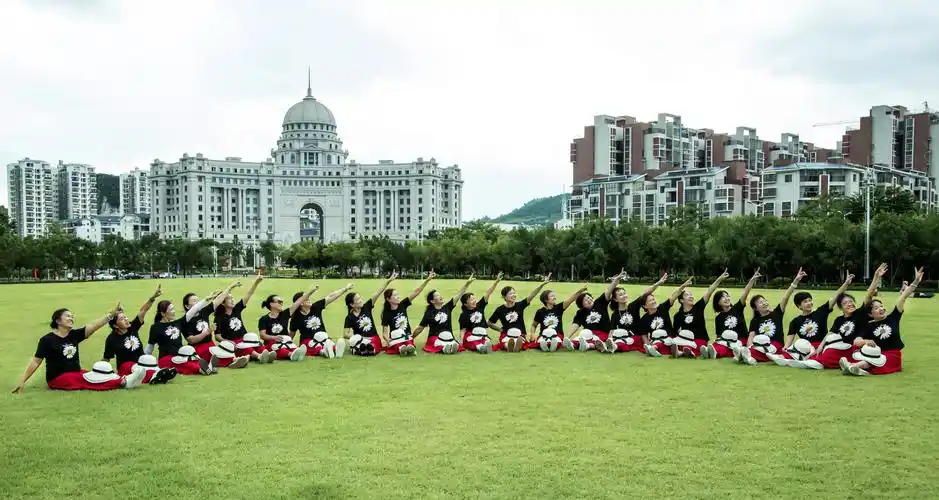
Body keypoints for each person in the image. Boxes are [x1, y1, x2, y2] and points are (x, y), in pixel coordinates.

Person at [13, 303, 147, 392]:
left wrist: (111, 315)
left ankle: (123, 379)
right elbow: (36, 361)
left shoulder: (74, 335)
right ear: (57, 321)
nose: (71, 318)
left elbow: (94, 326)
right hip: (58, 378)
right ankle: (124, 382)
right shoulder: (47, 340)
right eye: (67, 316)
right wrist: (22, 380)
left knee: (94, 374)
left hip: (76, 372)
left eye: (72, 316)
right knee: (87, 380)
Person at [797, 263, 886, 370]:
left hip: (854, 347)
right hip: (841, 346)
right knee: (829, 348)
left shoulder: (860, 314)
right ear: (841, 307)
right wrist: (821, 346)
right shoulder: (839, 320)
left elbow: (869, 294)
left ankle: (820, 362)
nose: (850, 304)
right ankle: (814, 360)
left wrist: (876, 277)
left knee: (831, 353)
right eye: (845, 303)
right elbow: (830, 333)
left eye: (851, 301)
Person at [839, 267, 924, 376]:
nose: (881, 309)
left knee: (877, 360)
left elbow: (902, 297)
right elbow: (856, 341)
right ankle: (857, 369)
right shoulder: (870, 325)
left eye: (881, 306)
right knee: (864, 351)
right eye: (876, 308)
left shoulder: (893, 317)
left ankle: (853, 366)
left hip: (892, 355)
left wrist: (916, 281)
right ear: (870, 314)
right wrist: (865, 341)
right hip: (876, 354)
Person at [767, 271, 855, 367]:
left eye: (810, 300)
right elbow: (788, 342)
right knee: (798, 345)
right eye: (805, 301)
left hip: (820, 346)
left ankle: (804, 361)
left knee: (819, 355)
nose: (809, 303)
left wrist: (846, 283)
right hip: (804, 347)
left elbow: (836, 296)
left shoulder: (820, 312)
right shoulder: (795, 322)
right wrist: (785, 349)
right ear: (799, 306)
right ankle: (785, 357)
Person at [102, 283, 179, 384]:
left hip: (142, 362)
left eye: (125, 317)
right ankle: (155, 376)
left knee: (148, 362)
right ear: (115, 325)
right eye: (122, 319)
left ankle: (157, 374)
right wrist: (100, 372)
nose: (126, 320)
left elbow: (143, 311)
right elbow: (106, 358)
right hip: (125, 367)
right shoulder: (112, 339)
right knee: (137, 368)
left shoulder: (133, 328)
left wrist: (153, 297)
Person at [736, 268, 806, 365]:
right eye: (760, 303)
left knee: (763, 351)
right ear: (756, 308)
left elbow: (785, 297)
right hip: (761, 345)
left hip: (776, 345)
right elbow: (751, 337)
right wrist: (748, 347)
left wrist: (795, 281)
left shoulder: (777, 313)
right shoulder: (755, 321)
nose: (764, 303)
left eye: (764, 300)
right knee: (756, 349)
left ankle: (745, 355)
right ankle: (748, 355)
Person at [146, 290, 219, 375]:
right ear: (163, 313)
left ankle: (207, 367)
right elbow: (150, 347)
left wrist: (205, 300)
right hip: (166, 358)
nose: (174, 311)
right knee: (184, 364)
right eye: (171, 309)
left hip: (181, 355)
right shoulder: (155, 327)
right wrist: (146, 363)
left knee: (192, 358)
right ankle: (203, 369)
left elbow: (194, 310)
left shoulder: (178, 322)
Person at [214, 270, 274, 363]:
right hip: (234, 343)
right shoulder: (219, 317)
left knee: (257, 343)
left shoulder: (236, 309)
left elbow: (248, 294)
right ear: (222, 303)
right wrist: (228, 342)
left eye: (232, 298)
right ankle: (259, 356)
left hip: (245, 338)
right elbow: (217, 336)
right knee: (245, 348)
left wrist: (256, 282)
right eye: (229, 299)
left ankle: (266, 354)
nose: (232, 300)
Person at [671, 271, 730, 358]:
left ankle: (684, 352)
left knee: (698, 346)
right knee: (679, 344)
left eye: (691, 295)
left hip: (699, 339)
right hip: (686, 339)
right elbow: (675, 333)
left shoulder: (698, 307)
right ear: (681, 300)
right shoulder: (678, 315)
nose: (691, 296)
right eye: (687, 295)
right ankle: (684, 351)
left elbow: (710, 291)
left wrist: (719, 279)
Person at [566, 271, 628, 352]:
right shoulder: (581, 312)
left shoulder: (600, 303)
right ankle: (572, 345)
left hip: (602, 333)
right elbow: (575, 325)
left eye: (589, 297)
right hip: (588, 334)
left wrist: (616, 279)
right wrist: (567, 338)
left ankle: (588, 346)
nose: (589, 300)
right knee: (581, 336)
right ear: (582, 305)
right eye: (585, 300)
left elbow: (609, 290)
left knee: (596, 340)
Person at [488, 274, 552, 352]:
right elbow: (489, 323)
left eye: (514, 293)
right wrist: (500, 329)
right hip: (506, 334)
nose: (514, 295)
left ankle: (515, 346)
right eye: (511, 294)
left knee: (520, 340)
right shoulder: (500, 309)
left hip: (520, 334)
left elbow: (532, 295)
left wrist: (542, 284)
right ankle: (510, 346)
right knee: (505, 342)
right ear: (505, 297)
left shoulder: (520, 305)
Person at [607, 273, 669, 353]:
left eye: (624, 293)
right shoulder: (615, 314)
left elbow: (645, 294)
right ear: (615, 299)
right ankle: (611, 346)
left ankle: (615, 347)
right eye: (621, 295)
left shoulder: (633, 306)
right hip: (621, 337)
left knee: (627, 341)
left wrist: (659, 283)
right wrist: (609, 339)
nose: (624, 295)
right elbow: (612, 330)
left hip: (635, 337)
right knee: (618, 335)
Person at [291, 283, 354, 359]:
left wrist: (345, 288)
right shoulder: (296, 317)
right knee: (309, 345)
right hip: (308, 340)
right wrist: (288, 344)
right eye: (306, 298)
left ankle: (335, 350)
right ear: (299, 303)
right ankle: (324, 352)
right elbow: (292, 334)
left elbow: (331, 296)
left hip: (322, 337)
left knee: (327, 342)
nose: (309, 299)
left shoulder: (316, 307)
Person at [708, 269, 761, 359]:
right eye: (723, 297)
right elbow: (719, 335)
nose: (726, 298)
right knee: (719, 344)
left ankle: (716, 353)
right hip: (726, 341)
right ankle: (712, 352)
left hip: (740, 340)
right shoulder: (718, 318)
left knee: (732, 348)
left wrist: (752, 280)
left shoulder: (737, 308)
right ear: (718, 302)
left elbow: (745, 293)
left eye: (727, 296)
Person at [415, 276, 475, 354]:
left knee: (451, 342)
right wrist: (411, 338)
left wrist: (467, 284)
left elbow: (458, 295)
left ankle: (448, 347)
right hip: (435, 337)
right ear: (432, 301)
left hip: (448, 336)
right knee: (437, 343)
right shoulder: (429, 313)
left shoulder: (447, 307)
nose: (440, 296)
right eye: (437, 295)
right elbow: (420, 328)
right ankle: (445, 348)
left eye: (439, 295)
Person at [183, 281, 241, 362]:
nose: (198, 303)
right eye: (194, 301)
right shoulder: (185, 320)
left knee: (226, 345)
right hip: (198, 348)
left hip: (210, 345)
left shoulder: (204, 312)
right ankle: (233, 360)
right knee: (215, 355)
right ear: (187, 306)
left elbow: (218, 300)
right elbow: (191, 340)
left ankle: (233, 360)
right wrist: (207, 332)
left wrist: (230, 287)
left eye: (198, 300)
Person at [381, 271, 436, 356]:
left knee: (409, 343)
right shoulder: (386, 313)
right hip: (396, 338)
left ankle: (409, 348)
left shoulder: (402, 304)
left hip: (406, 336)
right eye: (395, 296)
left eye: (397, 294)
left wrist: (427, 280)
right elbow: (384, 333)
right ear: (388, 299)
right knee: (398, 344)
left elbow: (417, 291)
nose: (398, 296)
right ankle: (401, 349)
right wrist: (389, 341)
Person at [344, 272, 397, 356]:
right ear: (352, 304)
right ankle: (361, 348)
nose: (361, 300)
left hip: (374, 338)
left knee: (370, 347)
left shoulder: (366, 307)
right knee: (362, 345)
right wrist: (356, 338)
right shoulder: (349, 317)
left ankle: (366, 349)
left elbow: (378, 293)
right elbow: (345, 334)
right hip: (361, 340)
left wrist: (388, 281)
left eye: (360, 298)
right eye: (357, 299)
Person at [639, 277, 694, 357]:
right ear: (645, 306)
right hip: (655, 340)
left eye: (653, 299)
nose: (654, 301)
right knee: (657, 335)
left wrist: (683, 286)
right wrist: (646, 343)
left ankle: (655, 349)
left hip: (669, 338)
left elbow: (673, 297)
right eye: (650, 301)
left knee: (665, 338)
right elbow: (644, 334)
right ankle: (655, 349)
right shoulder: (644, 319)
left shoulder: (662, 308)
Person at [527, 285, 586, 352]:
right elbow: (534, 325)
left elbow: (571, 299)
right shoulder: (540, 312)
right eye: (552, 296)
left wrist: (580, 291)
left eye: (554, 296)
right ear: (546, 300)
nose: (554, 297)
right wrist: (532, 334)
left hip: (557, 335)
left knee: (557, 340)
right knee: (542, 340)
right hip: (544, 335)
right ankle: (546, 346)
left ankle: (551, 345)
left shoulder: (559, 308)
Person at [258, 290, 311, 362]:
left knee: (292, 347)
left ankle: (295, 352)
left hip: (285, 341)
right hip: (272, 343)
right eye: (279, 302)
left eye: (282, 302)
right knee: (277, 349)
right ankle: (291, 354)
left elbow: (298, 302)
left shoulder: (285, 314)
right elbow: (262, 335)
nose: (281, 304)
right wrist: (273, 337)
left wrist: (311, 291)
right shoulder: (264, 319)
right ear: (272, 304)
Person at [459, 272, 503, 353]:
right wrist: (461, 341)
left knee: (486, 341)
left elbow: (488, 293)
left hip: (482, 333)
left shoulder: (480, 306)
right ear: (465, 304)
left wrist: (496, 281)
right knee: (472, 342)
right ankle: (480, 348)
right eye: (471, 300)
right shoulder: (464, 315)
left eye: (474, 299)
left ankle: (484, 346)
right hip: (471, 334)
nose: (474, 301)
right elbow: (463, 330)